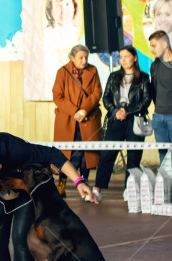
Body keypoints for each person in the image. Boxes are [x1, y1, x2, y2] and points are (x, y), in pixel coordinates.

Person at [94, 46, 152, 201]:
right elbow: (106, 98)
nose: (123, 59)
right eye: (121, 57)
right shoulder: (114, 77)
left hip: (135, 120)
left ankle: (129, 188)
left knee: (134, 156)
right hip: (116, 120)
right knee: (107, 154)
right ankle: (97, 189)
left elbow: (146, 101)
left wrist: (128, 111)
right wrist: (116, 111)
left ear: (134, 58)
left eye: (127, 56)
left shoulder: (144, 77)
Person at [52, 44, 103, 198]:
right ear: (71, 58)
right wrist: (75, 112)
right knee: (66, 154)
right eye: (81, 57)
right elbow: (57, 96)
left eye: (86, 57)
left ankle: (84, 186)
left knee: (85, 155)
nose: (84, 60)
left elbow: (96, 92)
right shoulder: (62, 72)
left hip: (87, 120)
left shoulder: (93, 70)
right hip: (68, 120)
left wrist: (84, 110)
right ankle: (61, 185)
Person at [150, 30, 172, 163]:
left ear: (164, 44)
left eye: (154, 45)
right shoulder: (155, 65)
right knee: (163, 155)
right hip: (158, 117)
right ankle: (167, 183)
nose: (151, 49)